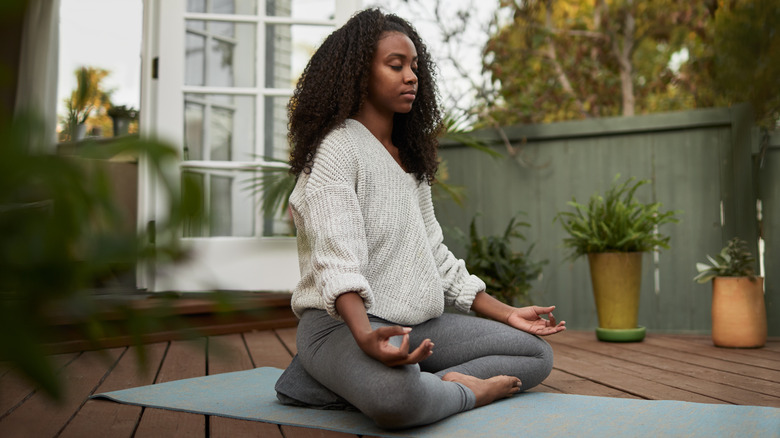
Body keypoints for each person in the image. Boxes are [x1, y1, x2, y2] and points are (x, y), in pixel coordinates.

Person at [275, 8, 566, 430]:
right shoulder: (336, 149)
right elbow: (336, 263)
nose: (411, 76)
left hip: (416, 323)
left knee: (535, 354)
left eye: (414, 66)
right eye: (396, 66)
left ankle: (345, 382)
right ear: (358, 73)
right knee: (398, 398)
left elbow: (435, 257)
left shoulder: (408, 161)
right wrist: (365, 339)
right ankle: (458, 390)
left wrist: (507, 313)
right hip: (341, 326)